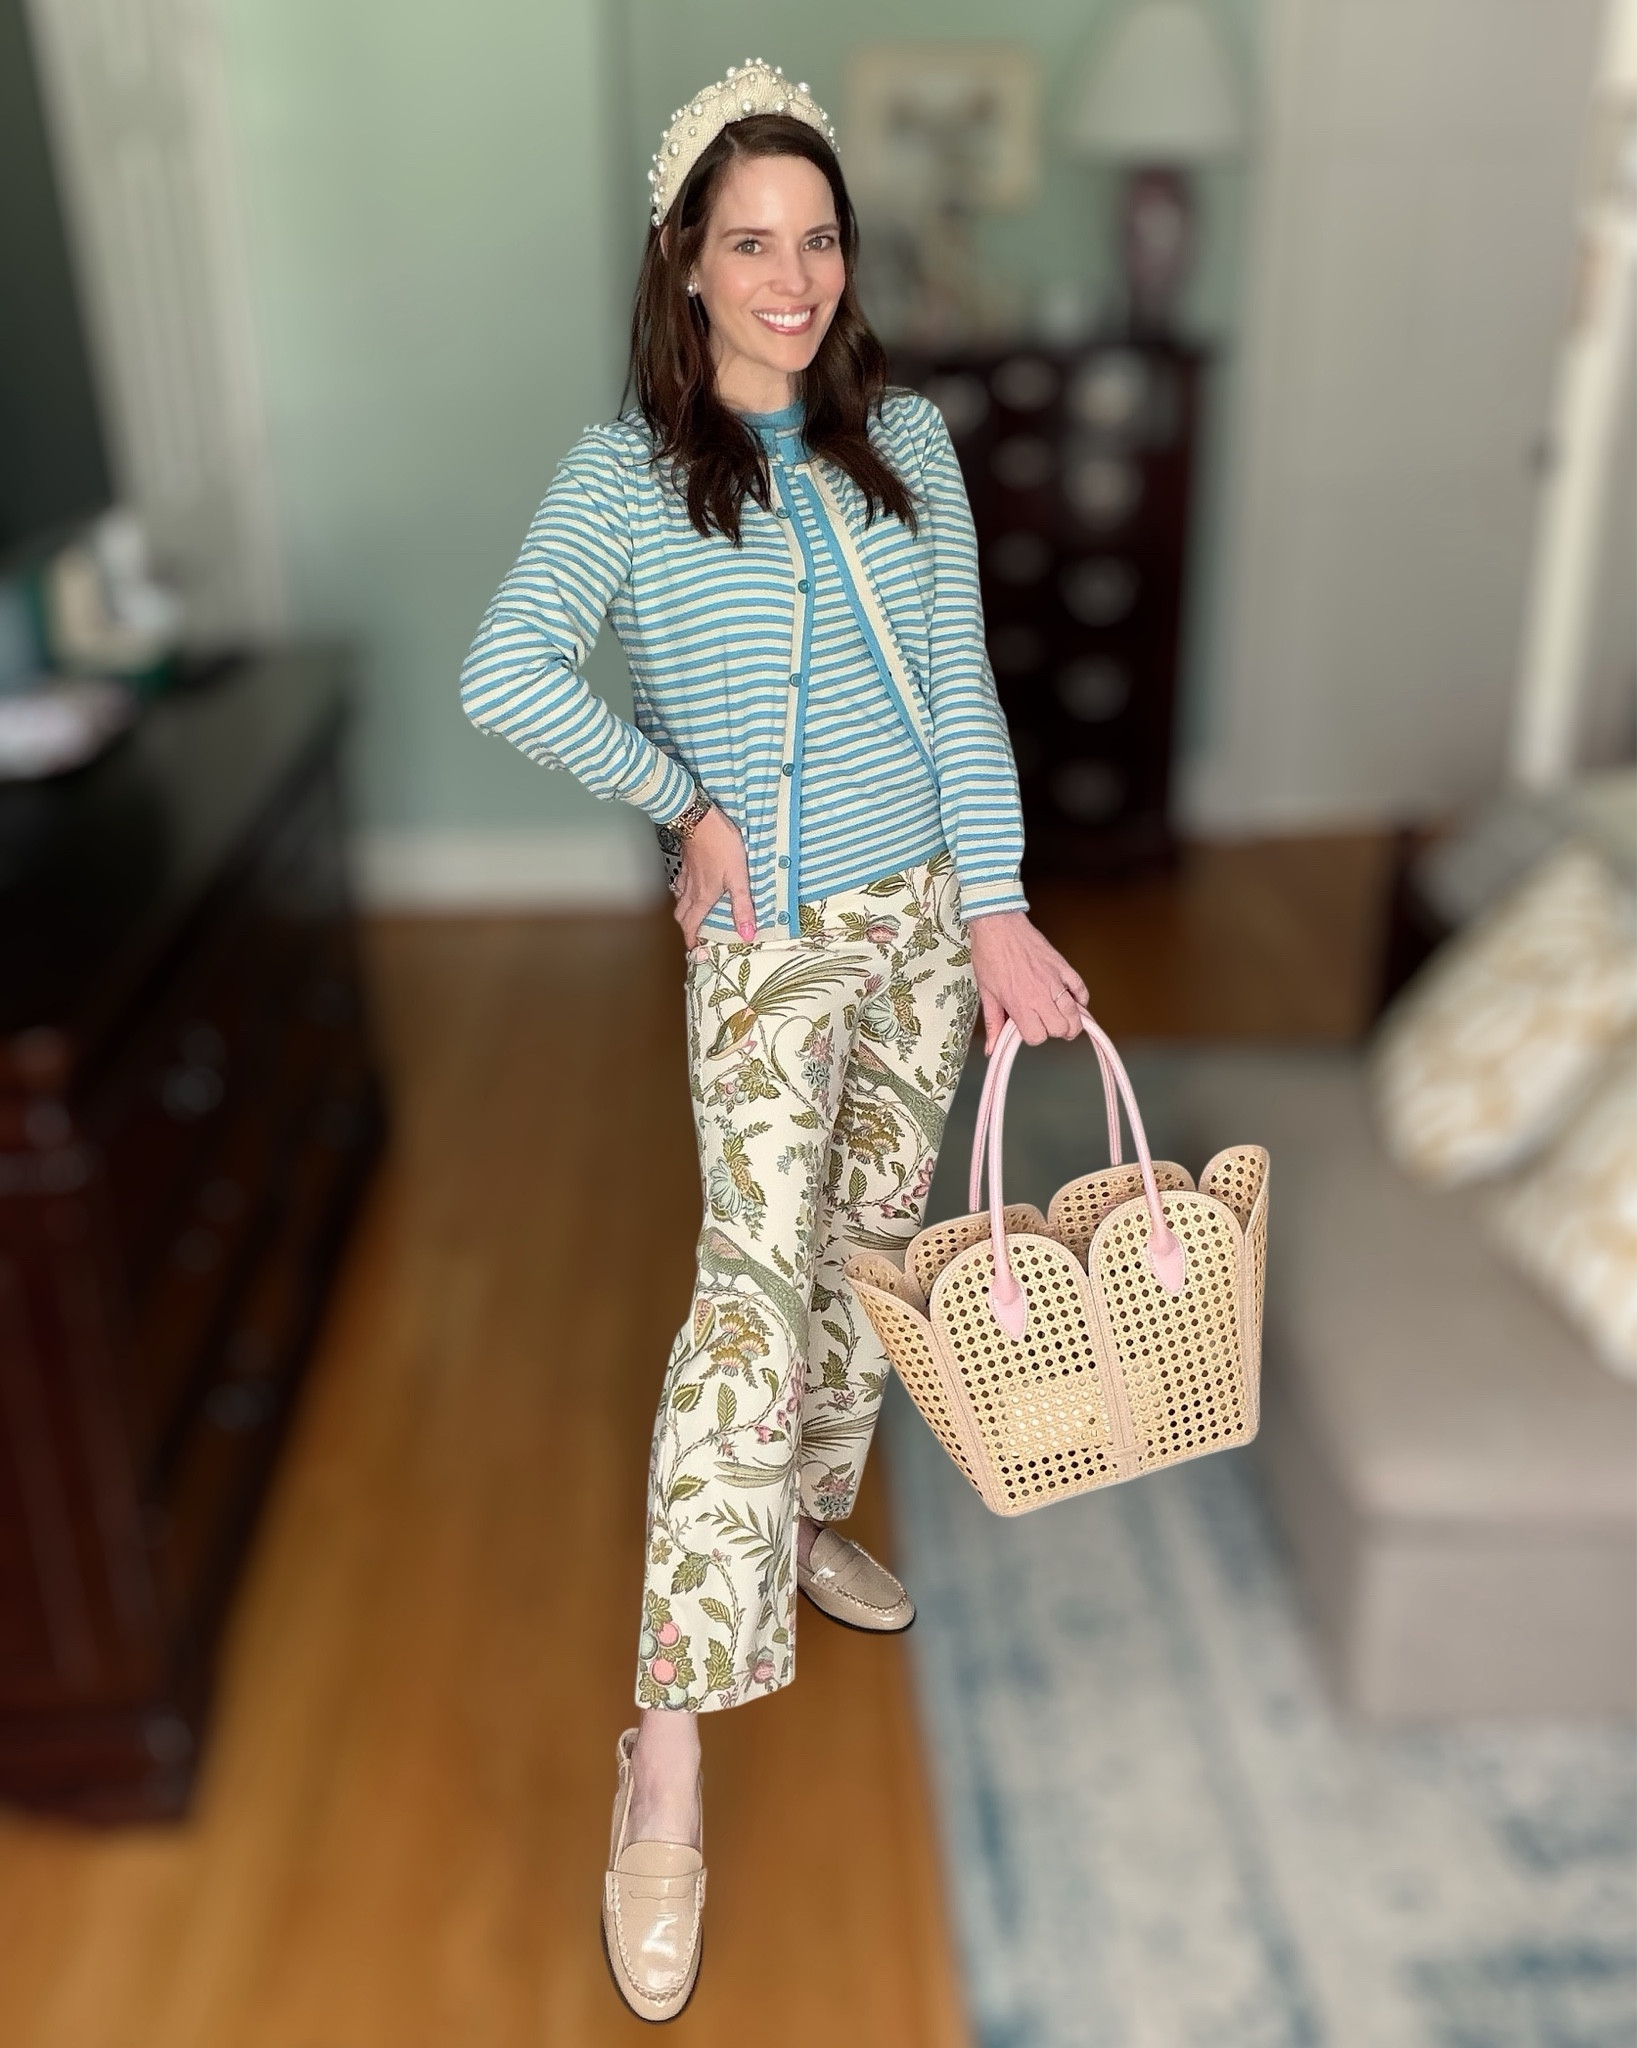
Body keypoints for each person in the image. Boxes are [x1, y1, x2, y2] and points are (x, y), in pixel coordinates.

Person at [460, 59, 1087, 2022]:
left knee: (863, 1252)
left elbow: (964, 699)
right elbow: (506, 670)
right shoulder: (623, 477)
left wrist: (994, 913)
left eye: (818, 239)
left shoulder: (908, 440)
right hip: (760, 948)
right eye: (755, 242)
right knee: (744, 1295)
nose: (793, 275)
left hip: (918, 934)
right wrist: (680, 797)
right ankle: (664, 1766)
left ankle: (812, 1517)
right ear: (689, 259)